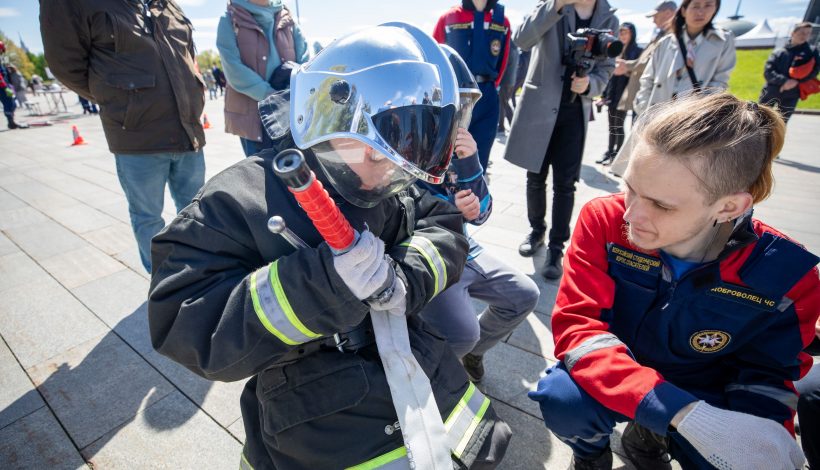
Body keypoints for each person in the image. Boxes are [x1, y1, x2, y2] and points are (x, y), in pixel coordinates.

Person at [147, 23, 511, 469]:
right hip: (317, 423)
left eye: (400, 164)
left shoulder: (390, 177)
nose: (386, 175)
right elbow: (182, 322)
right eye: (375, 154)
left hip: (429, 389)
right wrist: (322, 284)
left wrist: (406, 277)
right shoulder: (240, 198)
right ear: (331, 115)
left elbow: (443, 223)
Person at [528, 92, 820, 470]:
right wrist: (676, 412)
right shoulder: (603, 219)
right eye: (629, 186)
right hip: (620, 368)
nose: (631, 214)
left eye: (662, 205)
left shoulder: (788, 273)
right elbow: (578, 328)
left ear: (731, 206)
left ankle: (648, 434)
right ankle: (591, 454)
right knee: (563, 398)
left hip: (709, 388)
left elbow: (768, 373)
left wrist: (760, 440)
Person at [41, 0, 207, 274]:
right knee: (148, 216)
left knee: (197, 211)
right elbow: (66, 65)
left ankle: (201, 272)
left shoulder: (166, 4)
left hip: (188, 131)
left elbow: (188, 55)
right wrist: (123, 101)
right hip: (138, 138)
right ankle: (164, 284)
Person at [417, 44, 540, 382]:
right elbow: (402, 218)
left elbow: (482, 214)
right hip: (433, 254)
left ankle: (471, 355)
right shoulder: (408, 148)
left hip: (465, 248)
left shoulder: (460, 149)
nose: (456, 117)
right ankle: (430, 375)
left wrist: (470, 162)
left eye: (461, 108)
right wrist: (448, 211)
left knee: (524, 294)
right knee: (462, 332)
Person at [502, 0, 617, 280]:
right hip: (540, 107)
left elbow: (608, 65)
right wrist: (555, 6)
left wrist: (591, 85)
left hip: (575, 109)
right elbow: (522, 39)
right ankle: (536, 231)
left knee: (566, 184)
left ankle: (556, 248)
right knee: (535, 176)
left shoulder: (608, 17)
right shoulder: (552, 5)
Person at [216, 0, 310, 157]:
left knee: (295, 172)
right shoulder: (230, 19)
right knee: (261, 176)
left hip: (289, 112)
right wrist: (271, 96)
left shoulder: (287, 16)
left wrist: (292, 90)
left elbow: (305, 59)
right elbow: (233, 69)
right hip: (253, 118)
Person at [433, 0, 511, 173]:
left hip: (487, 95)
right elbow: (435, 57)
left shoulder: (502, 22)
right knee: (447, 160)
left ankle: (477, 195)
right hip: (455, 95)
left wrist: (489, 88)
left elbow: (503, 60)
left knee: (479, 161)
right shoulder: (449, 18)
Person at [633, 0, 736, 116]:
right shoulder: (665, 42)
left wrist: (703, 114)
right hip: (657, 114)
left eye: (708, 5)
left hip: (692, 118)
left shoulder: (723, 41)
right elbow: (647, 79)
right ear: (683, 11)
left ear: (715, 9)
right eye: (696, 6)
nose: (701, 12)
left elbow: (719, 83)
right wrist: (644, 109)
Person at [595, 23, 642, 166]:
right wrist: (603, 95)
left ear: (632, 34)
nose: (623, 36)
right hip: (612, 92)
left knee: (619, 125)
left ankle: (617, 155)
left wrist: (626, 69)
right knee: (611, 126)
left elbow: (639, 71)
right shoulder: (615, 49)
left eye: (626, 33)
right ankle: (609, 152)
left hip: (625, 93)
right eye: (621, 33)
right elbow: (608, 73)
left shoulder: (637, 51)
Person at [759, 22, 820, 126]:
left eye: (808, 33)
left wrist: (796, 82)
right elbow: (768, 72)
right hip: (772, 90)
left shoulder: (812, 52)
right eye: (801, 33)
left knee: (780, 124)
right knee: (759, 118)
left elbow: (815, 71)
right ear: (793, 33)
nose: (804, 36)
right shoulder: (779, 52)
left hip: (793, 92)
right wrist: (785, 81)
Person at [0, 42, 27, 129]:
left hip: (5, 85)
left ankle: (11, 121)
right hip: (2, 87)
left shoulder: (2, 60)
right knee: (9, 104)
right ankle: (11, 122)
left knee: (12, 103)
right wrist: (4, 87)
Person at [497, 40, 519, 135]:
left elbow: (504, 65)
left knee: (504, 104)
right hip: (511, 81)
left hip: (505, 81)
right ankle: (503, 126)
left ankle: (512, 125)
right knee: (503, 103)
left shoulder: (508, 48)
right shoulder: (515, 48)